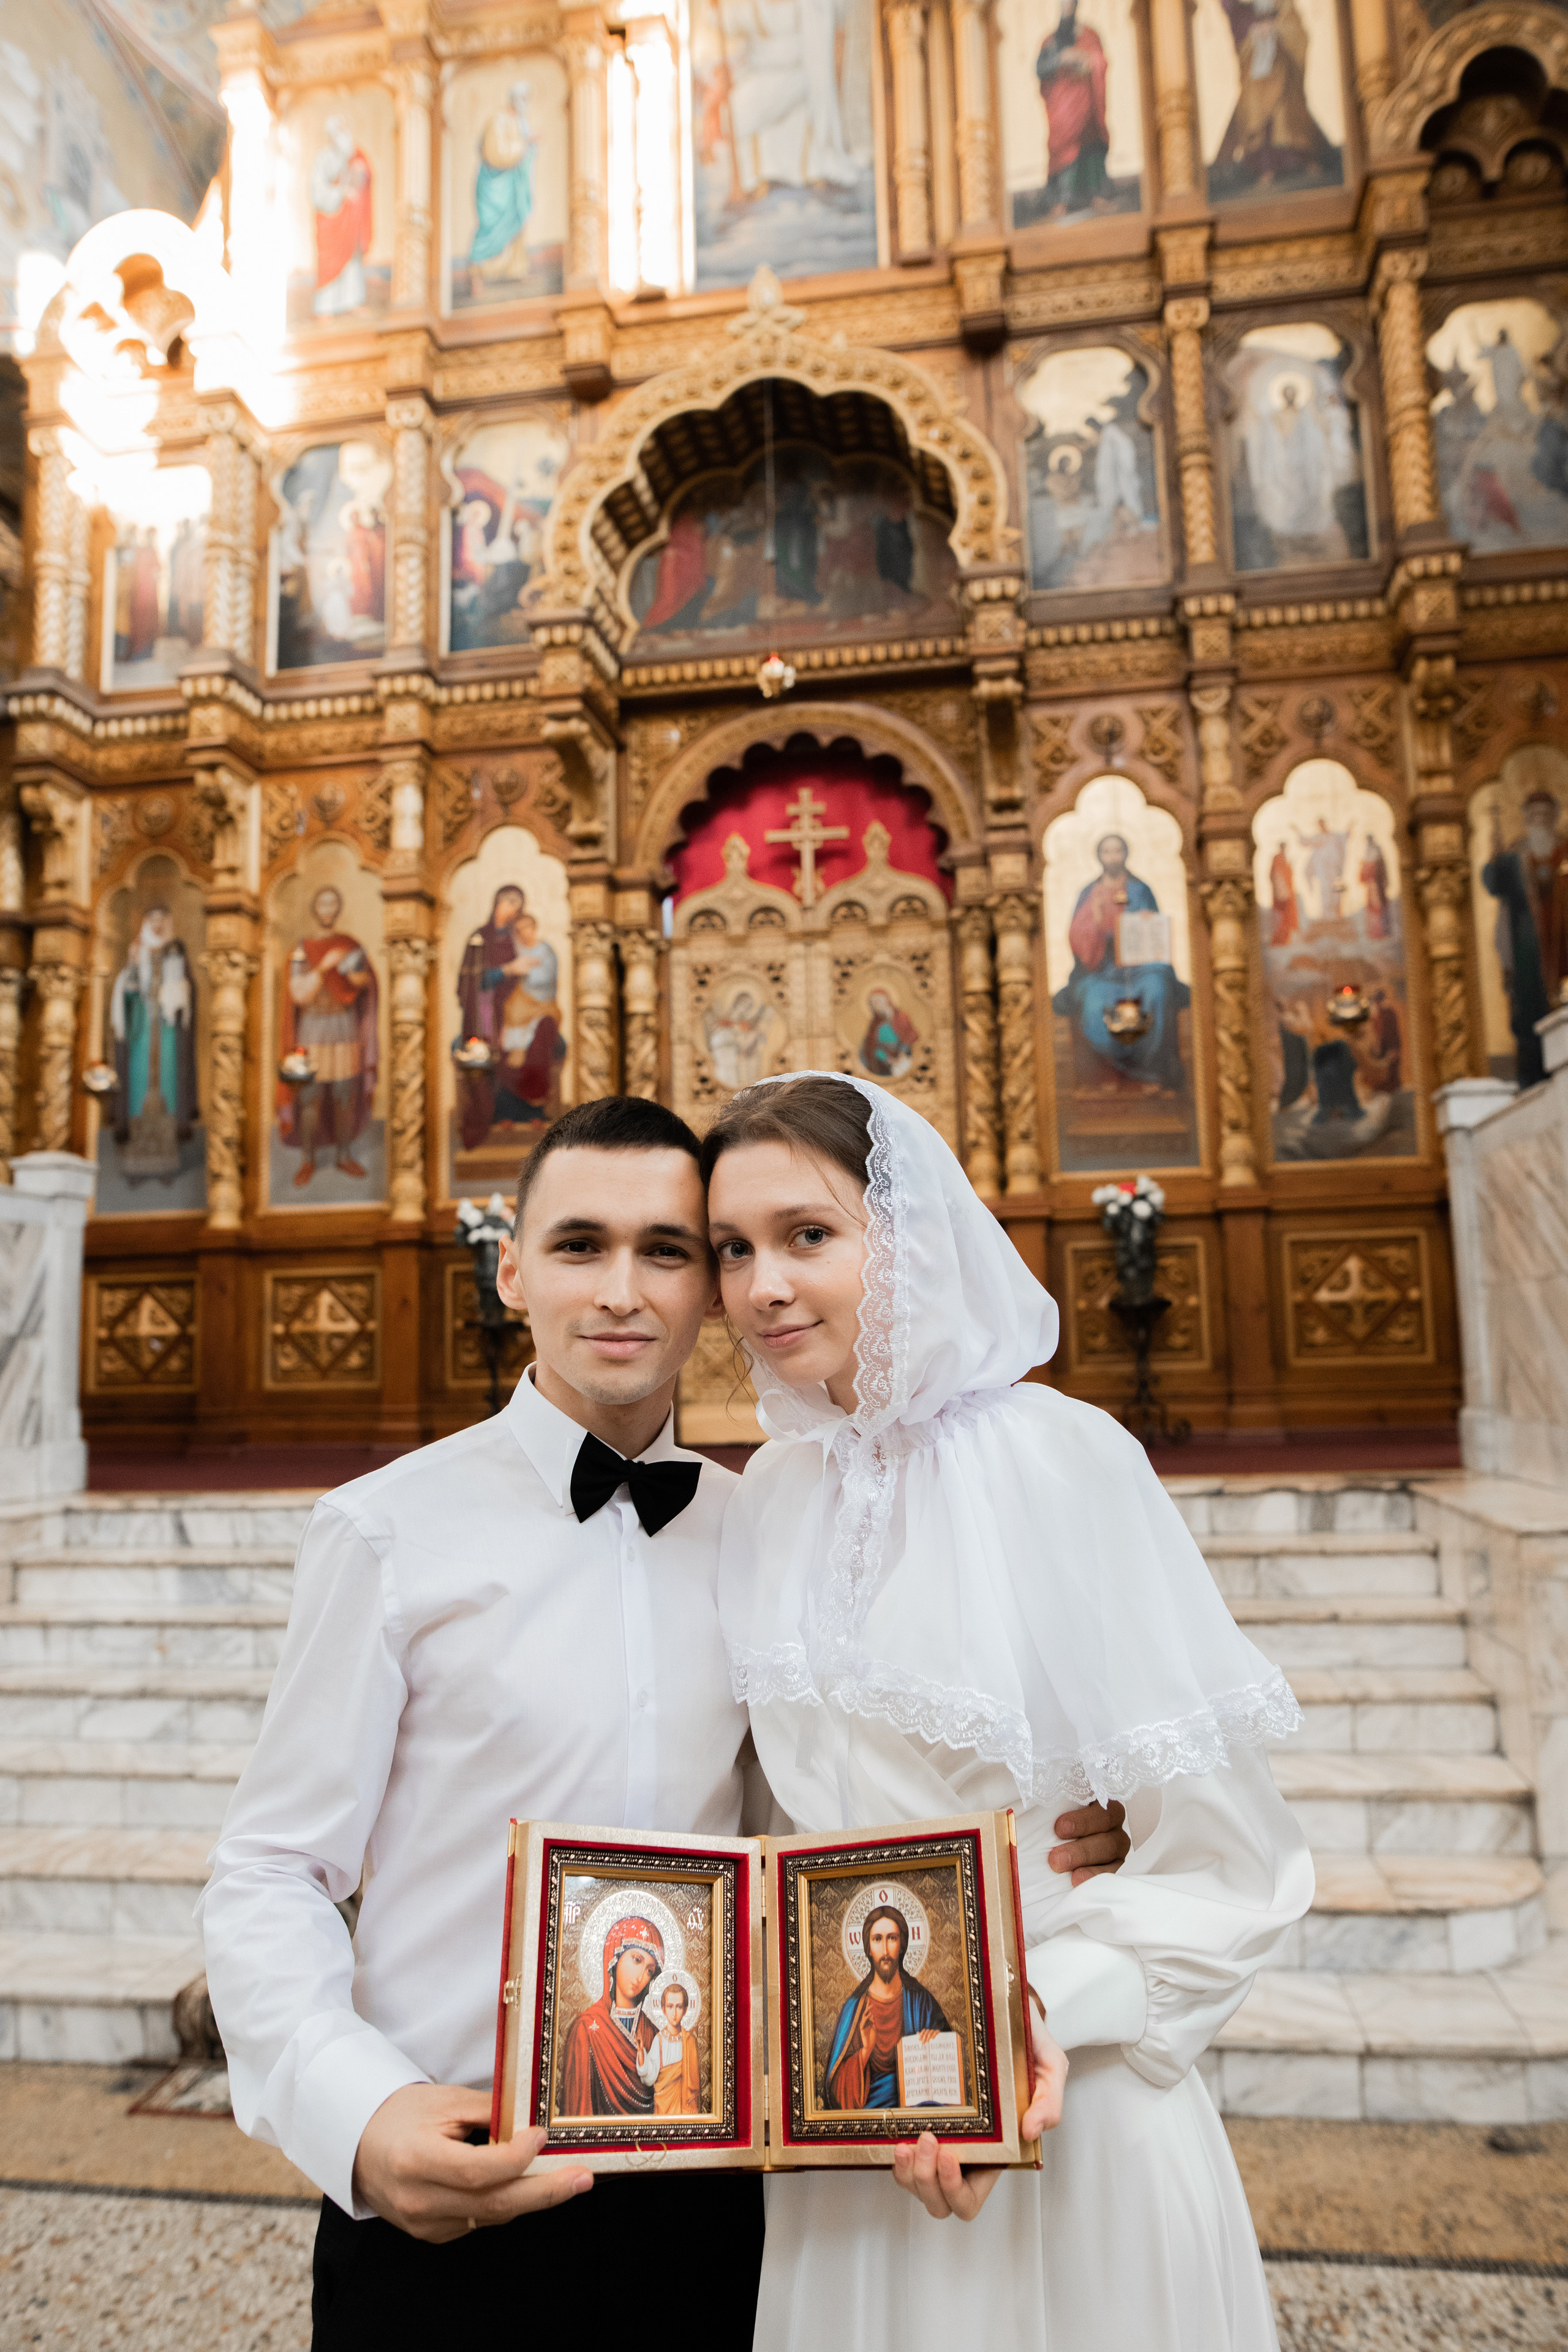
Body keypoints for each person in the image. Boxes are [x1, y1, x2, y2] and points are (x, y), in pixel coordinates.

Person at [198, 1089, 1136, 2348]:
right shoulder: (386, 1531)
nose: (622, 1291)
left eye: (668, 1252)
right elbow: (271, 1866)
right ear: (511, 1269)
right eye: (579, 1245)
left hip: (718, 2211)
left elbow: (824, 1809)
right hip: (457, 2174)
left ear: (709, 1293)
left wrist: (1069, 1844)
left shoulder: (769, 1526)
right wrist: (355, 2115)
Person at [706, 1072, 1313, 2352]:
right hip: (849, 2127)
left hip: (1066, 2110)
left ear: (909, 1239)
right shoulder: (768, 1493)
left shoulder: (1062, 1459)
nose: (760, 1286)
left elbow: (1231, 1864)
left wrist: (1027, 2023)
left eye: (806, 1235)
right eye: (729, 1249)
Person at [1054, 832, 1189, 1092]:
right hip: (1101, 971)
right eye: (1107, 852)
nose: (1113, 857)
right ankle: (1110, 1072)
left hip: (1142, 968)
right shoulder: (1090, 893)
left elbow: (1155, 933)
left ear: (1126, 854)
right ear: (1099, 856)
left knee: (1157, 990)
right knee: (1094, 1004)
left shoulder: (1140, 889)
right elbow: (1077, 936)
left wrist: (1147, 922)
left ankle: (1150, 1072)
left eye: (1118, 851)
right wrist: (1094, 919)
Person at [277, 886, 379, 1188]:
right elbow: (299, 994)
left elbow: (362, 982)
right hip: (312, 1029)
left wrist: (348, 966)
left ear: (339, 908)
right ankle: (308, 1159)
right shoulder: (301, 949)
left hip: (343, 1027)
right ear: (314, 907)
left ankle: (344, 1155)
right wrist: (324, 965)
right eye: (322, 902)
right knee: (310, 1097)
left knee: (344, 1096)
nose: (327, 908)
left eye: (333, 902)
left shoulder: (349, 945)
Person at [823, 1906, 950, 2111]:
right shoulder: (855, 2008)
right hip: (869, 2115)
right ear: (868, 1948)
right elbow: (836, 2092)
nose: (885, 1951)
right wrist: (865, 2052)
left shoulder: (921, 2001)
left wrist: (936, 2044)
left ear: (902, 1945)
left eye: (892, 1938)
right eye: (877, 1939)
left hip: (917, 2111)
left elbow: (947, 2073)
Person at [559, 1917, 665, 2117]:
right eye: (637, 1960)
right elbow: (579, 2113)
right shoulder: (586, 2028)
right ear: (615, 1957)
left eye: (650, 1970)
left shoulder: (653, 2034)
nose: (641, 1975)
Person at [638, 1978, 703, 2116]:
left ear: (685, 2010)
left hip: (684, 2106)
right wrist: (642, 2057)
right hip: (663, 2106)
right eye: (670, 2006)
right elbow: (650, 2077)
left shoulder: (690, 2041)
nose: (674, 2013)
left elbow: (695, 2082)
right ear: (663, 2009)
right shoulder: (659, 2040)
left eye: (679, 2007)